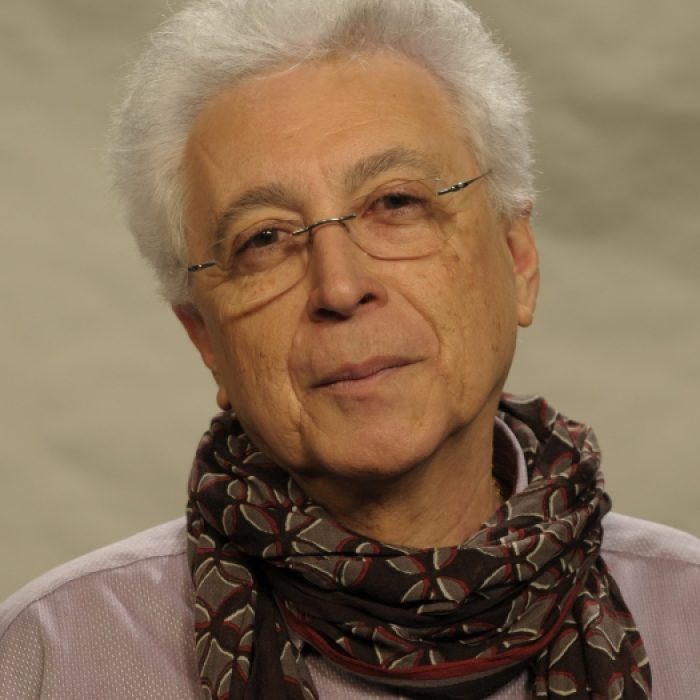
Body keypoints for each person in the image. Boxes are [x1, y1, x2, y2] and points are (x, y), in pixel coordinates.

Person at [1, 0, 698, 698]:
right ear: (205, 338)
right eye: (264, 239)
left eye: (396, 203)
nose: (338, 285)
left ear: (518, 259)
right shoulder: (55, 658)